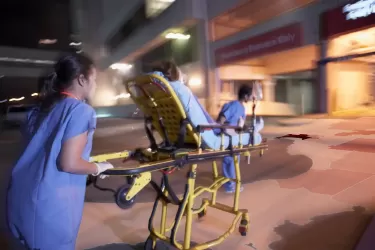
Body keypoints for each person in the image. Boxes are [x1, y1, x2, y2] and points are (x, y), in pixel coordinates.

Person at [7, 53, 114, 250]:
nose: (96, 85)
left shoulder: (39, 109)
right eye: (94, 79)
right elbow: (69, 162)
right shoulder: (80, 111)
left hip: (19, 201)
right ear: (82, 79)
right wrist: (97, 167)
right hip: (49, 210)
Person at [217, 85, 253, 193]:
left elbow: (239, 123)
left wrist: (245, 127)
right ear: (246, 96)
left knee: (233, 160)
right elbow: (222, 119)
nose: (251, 99)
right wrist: (223, 131)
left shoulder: (242, 108)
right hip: (228, 136)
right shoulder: (233, 105)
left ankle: (231, 182)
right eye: (250, 96)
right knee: (229, 160)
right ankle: (230, 185)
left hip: (235, 136)